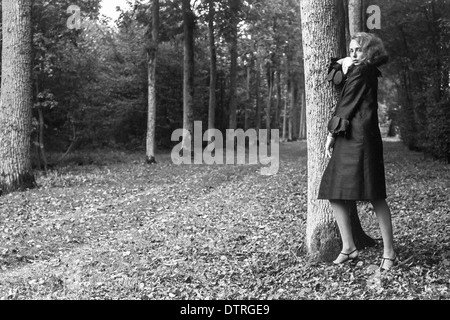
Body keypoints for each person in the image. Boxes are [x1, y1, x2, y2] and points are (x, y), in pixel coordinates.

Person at [318, 32, 397, 270]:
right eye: (351, 49)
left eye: (358, 50)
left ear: (369, 52)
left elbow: (347, 102)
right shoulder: (359, 68)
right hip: (351, 136)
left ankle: (389, 253)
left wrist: (331, 134)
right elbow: (335, 80)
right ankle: (349, 247)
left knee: (374, 194)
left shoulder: (363, 71)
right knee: (334, 191)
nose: (353, 54)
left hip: (359, 138)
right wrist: (343, 63)